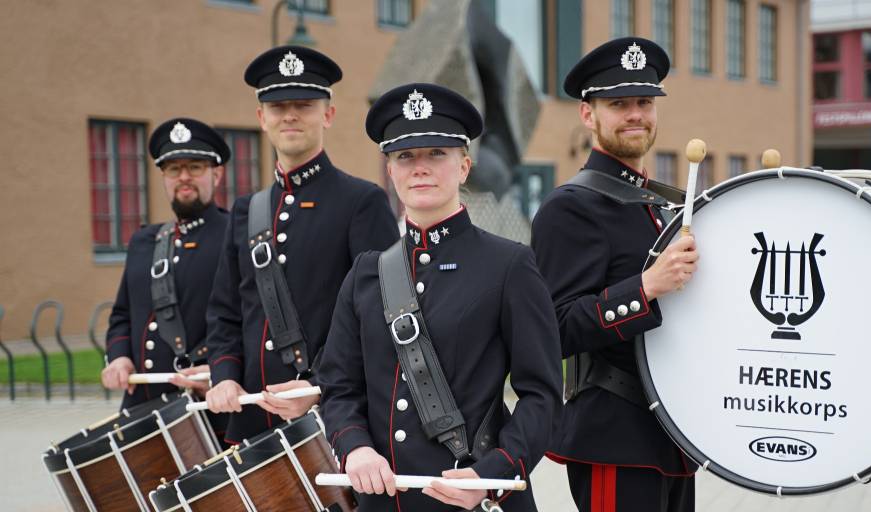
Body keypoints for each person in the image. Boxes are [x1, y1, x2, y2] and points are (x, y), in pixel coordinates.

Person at [318, 83, 563, 511]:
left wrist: (492, 474)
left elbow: (542, 397)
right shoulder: (365, 274)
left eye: (436, 154)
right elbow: (339, 387)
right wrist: (354, 447)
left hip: (472, 500)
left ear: (464, 166)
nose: (420, 168)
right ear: (390, 171)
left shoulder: (509, 265)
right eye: (405, 157)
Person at [530, 37, 700, 512]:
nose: (635, 115)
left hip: (674, 434)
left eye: (644, 102)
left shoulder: (662, 207)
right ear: (589, 115)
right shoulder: (570, 208)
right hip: (613, 437)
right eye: (618, 103)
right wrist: (645, 288)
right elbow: (554, 328)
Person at [204, 46, 399, 443]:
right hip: (253, 421)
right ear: (262, 118)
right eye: (277, 106)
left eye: (304, 104)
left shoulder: (361, 201)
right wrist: (223, 377)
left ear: (328, 114)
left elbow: (380, 315)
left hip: (332, 421)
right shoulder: (246, 210)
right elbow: (225, 312)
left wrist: (317, 387)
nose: (289, 114)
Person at [102, 118, 230, 428]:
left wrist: (221, 371)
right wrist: (118, 356)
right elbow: (122, 315)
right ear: (163, 177)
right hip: (142, 408)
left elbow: (249, 320)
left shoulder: (234, 236)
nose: (184, 177)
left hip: (206, 409)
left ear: (217, 174)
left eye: (195, 167)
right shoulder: (144, 241)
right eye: (174, 169)